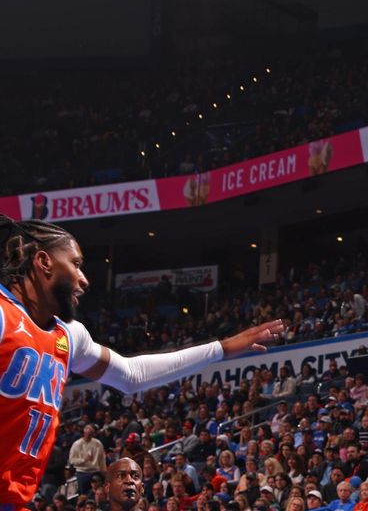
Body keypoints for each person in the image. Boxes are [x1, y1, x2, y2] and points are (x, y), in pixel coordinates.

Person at [0, 216, 286, 506]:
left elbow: (131, 375)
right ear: (43, 261)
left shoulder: (69, 335)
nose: (84, 279)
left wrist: (221, 348)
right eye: (75, 264)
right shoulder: (3, 315)